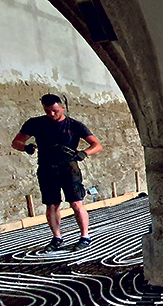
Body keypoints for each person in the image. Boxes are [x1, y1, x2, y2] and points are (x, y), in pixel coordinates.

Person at [12, 94, 103, 251]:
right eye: (48, 111)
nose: (51, 114)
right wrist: (26, 147)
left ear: (62, 108)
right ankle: (57, 237)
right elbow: (16, 142)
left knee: (76, 203)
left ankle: (85, 236)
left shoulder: (74, 125)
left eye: (55, 111)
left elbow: (97, 145)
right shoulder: (35, 123)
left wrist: (84, 153)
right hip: (47, 168)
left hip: (69, 167)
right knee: (52, 205)